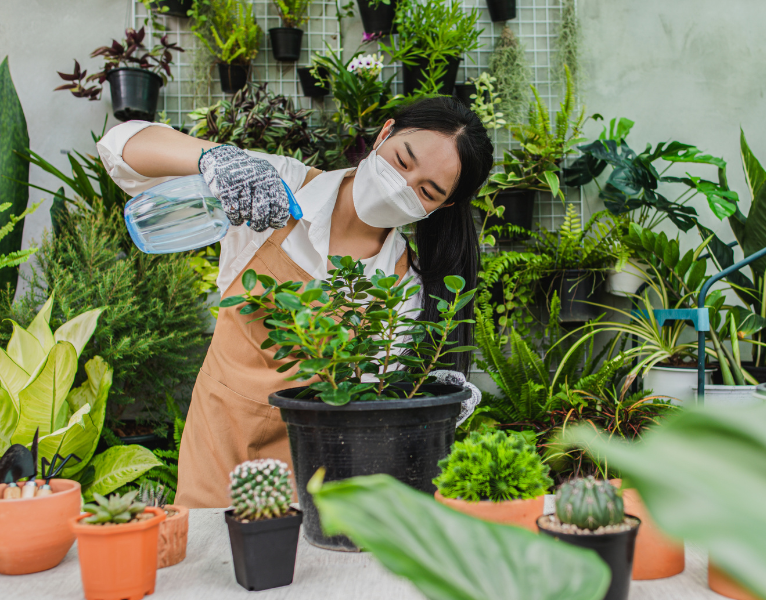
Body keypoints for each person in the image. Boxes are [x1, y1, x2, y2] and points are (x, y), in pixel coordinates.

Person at [97, 96, 494, 507]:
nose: (402, 185)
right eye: (402, 160)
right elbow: (120, 147)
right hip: (216, 447)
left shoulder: (404, 289)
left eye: (426, 191)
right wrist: (214, 158)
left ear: (443, 206)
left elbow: (371, 417)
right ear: (384, 133)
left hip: (315, 477)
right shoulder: (272, 186)